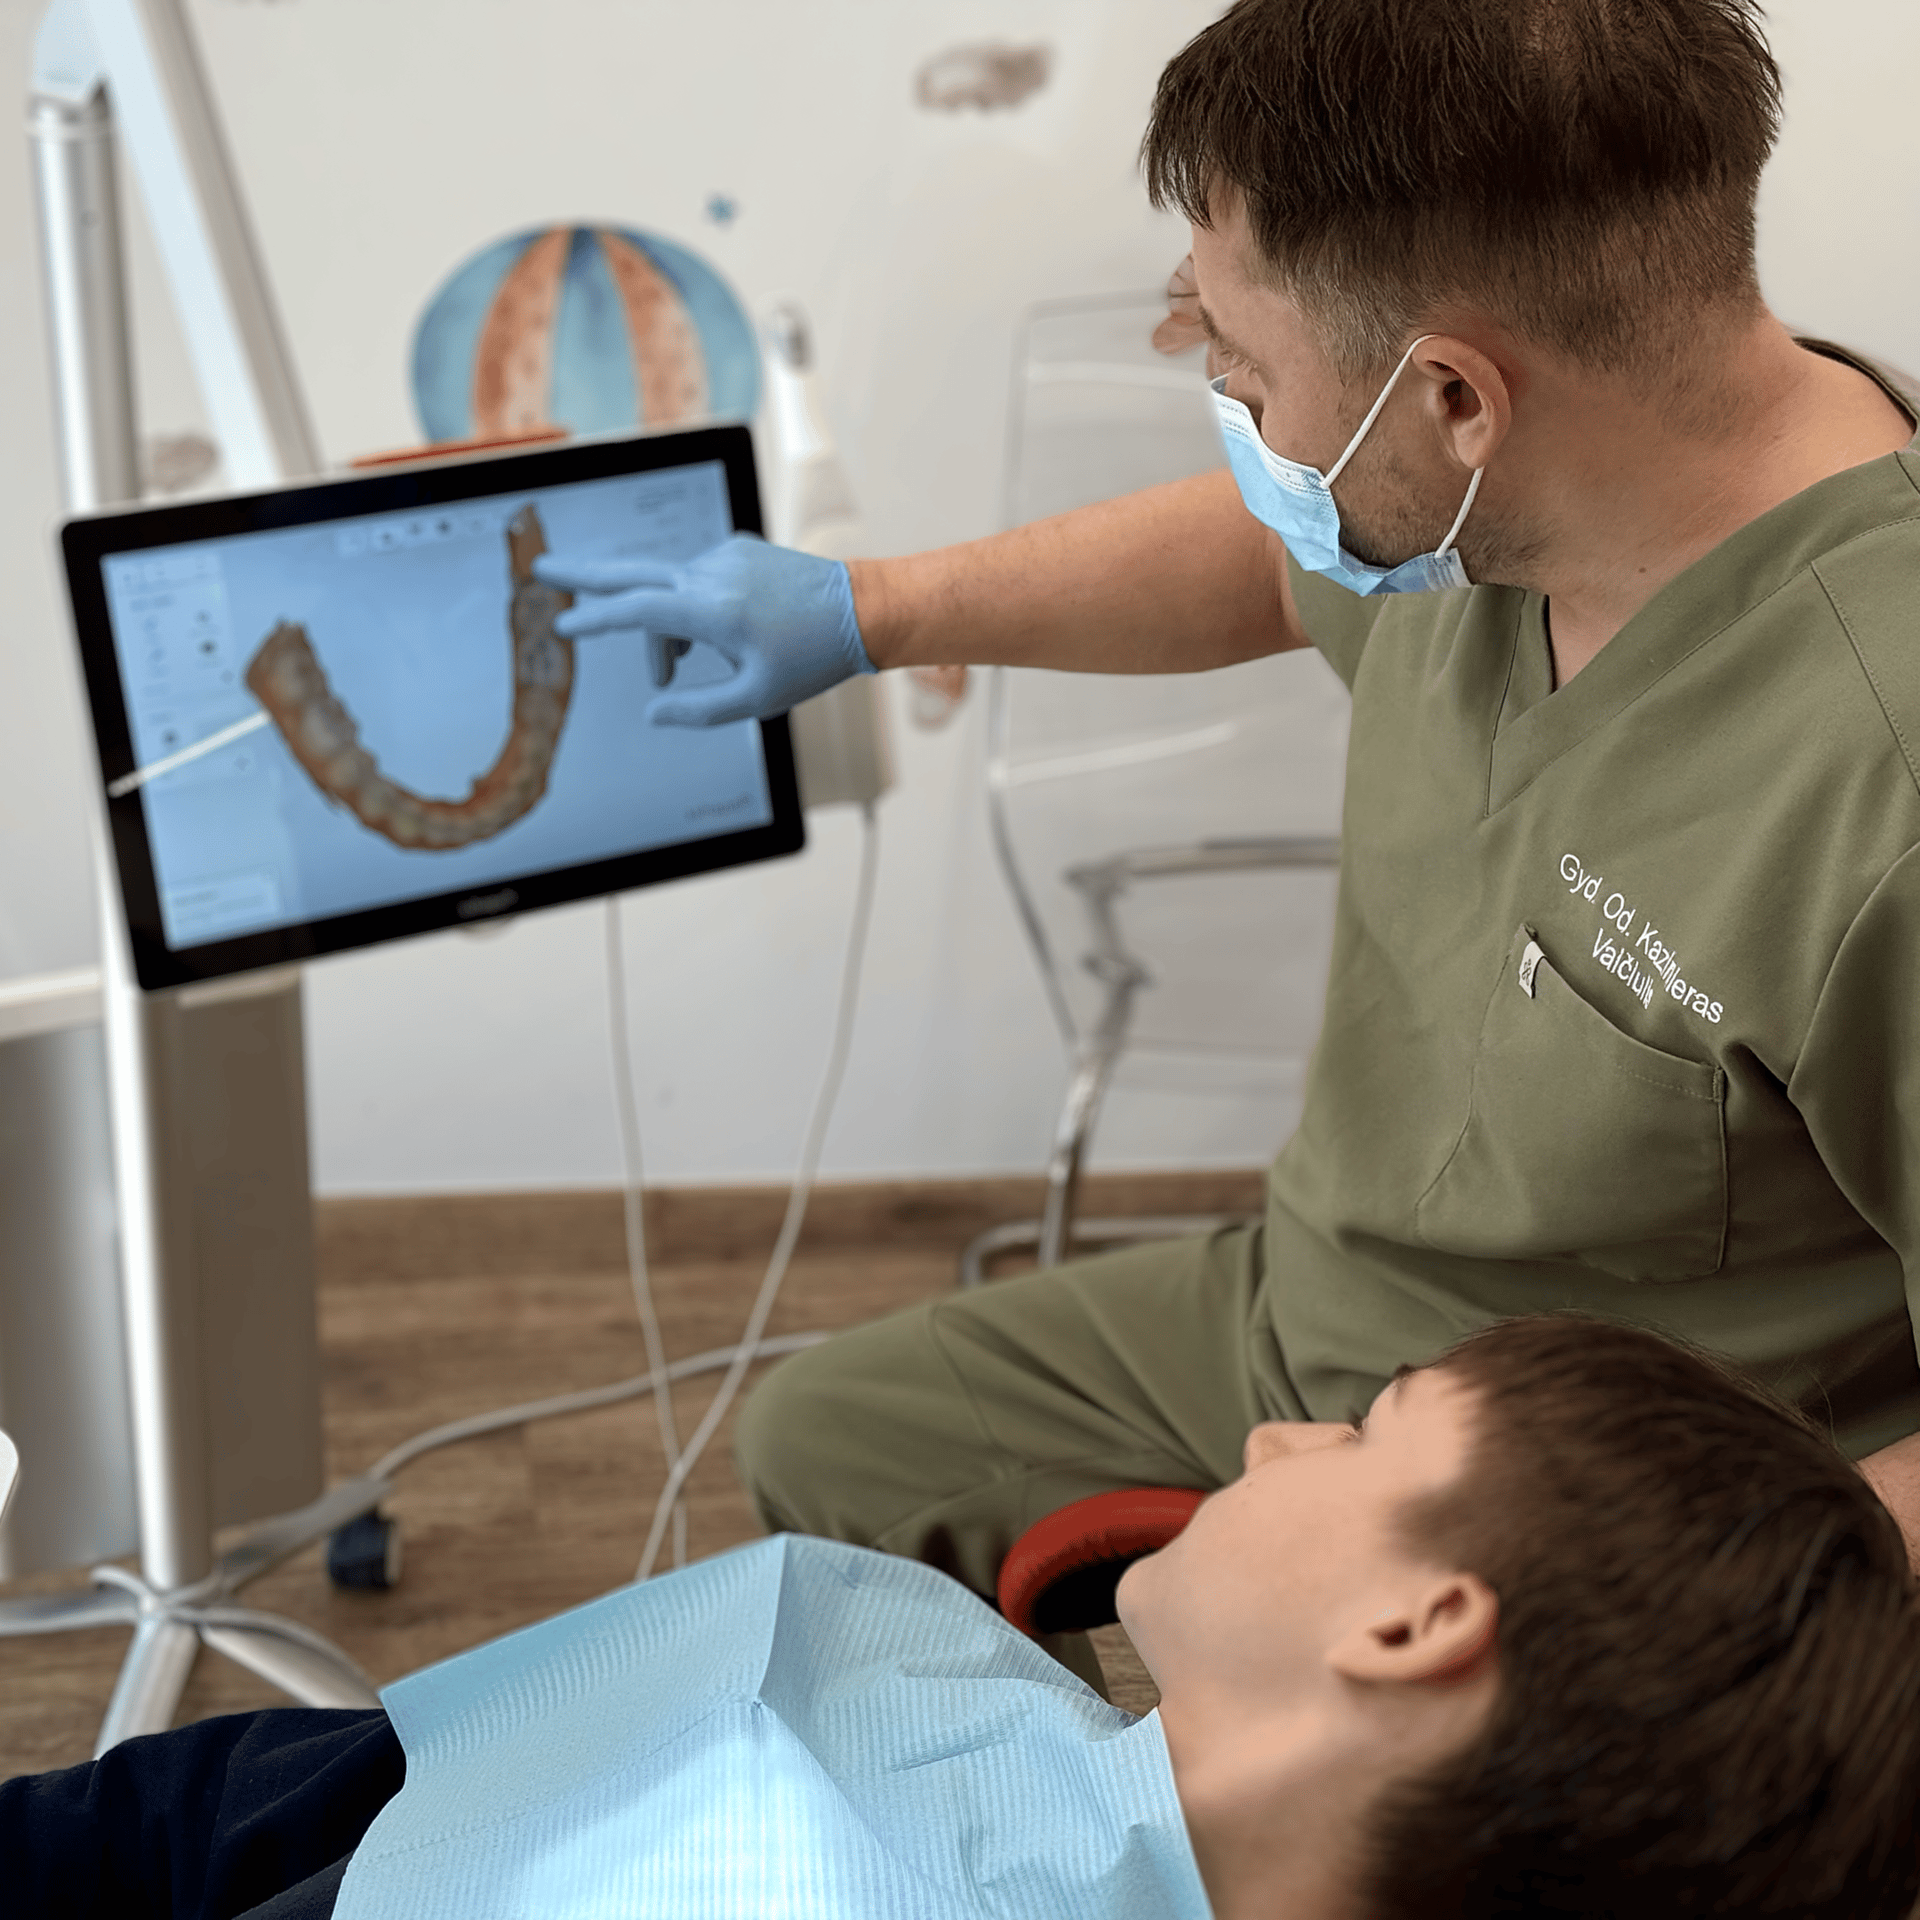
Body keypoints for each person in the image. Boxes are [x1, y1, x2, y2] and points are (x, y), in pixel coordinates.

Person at [534, 0, 1920, 1608]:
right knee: (837, 1444)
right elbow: (1278, 554)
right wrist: (871, 610)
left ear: (1457, 402)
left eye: (1244, 373)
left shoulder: (1873, 773)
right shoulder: (1496, 501)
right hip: (1316, 1314)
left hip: (1606, 1508)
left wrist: (1647, 1650)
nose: (1241, 421)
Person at [6, 1316, 1919, 1919]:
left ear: (1417, 1627)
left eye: (1366, 1427)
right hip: (358, 1797)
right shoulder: (1008, 1728)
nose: (1274, 1427)